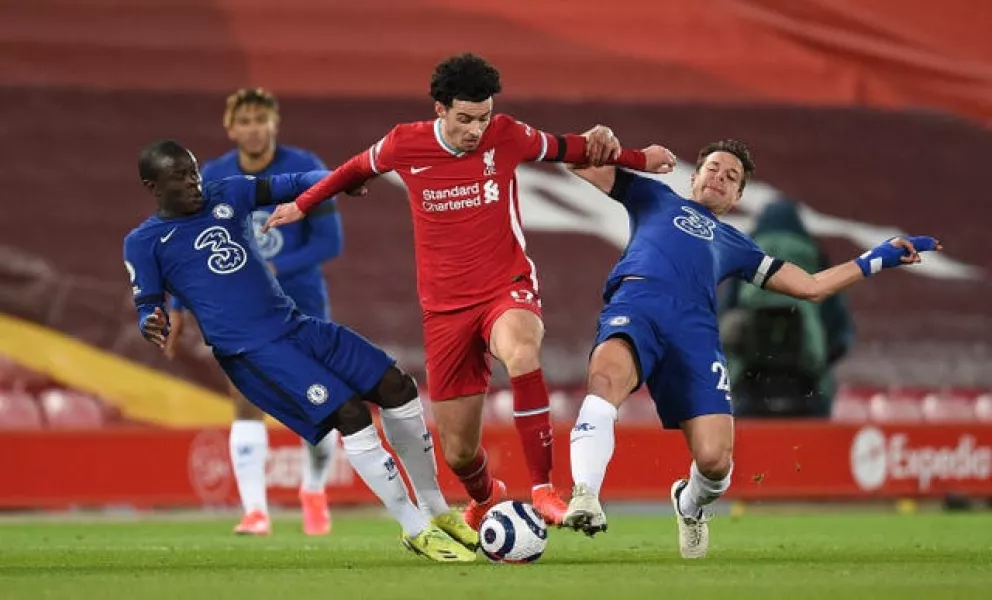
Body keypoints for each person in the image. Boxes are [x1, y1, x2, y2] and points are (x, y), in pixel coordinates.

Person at [261, 53, 670, 528]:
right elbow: (354, 168)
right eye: (465, 119)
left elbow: (571, 147)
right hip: (444, 309)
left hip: (505, 287)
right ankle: (486, 494)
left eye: (483, 117)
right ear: (439, 110)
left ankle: (543, 490)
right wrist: (303, 204)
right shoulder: (404, 144)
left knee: (520, 350)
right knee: (457, 453)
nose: (476, 129)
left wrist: (639, 158)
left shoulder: (508, 135)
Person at [560, 139, 941, 558]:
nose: (720, 178)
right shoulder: (654, 195)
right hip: (637, 304)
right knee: (604, 380)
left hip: (695, 333)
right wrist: (627, 156)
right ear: (694, 175)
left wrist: (877, 259)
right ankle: (586, 495)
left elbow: (811, 287)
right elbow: (576, 161)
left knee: (715, 462)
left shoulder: (736, 244)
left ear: (738, 197)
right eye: (714, 169)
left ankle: (689, 504)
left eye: (731, 177)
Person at [125, 140, 477, 563]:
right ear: (153, 185)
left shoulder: (227, 193)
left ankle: (436, 511)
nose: (193, 181)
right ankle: (414, 528)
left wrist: (340, 182)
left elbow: (292, 183)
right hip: (250, 352)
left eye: (193, 170)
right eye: (179, 176)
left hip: (295, 325)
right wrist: (152, 321)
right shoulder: (144, 242)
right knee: (351, 414)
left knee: (396, 386)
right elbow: (148, 305)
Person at [164, 88, 344, 536]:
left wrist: (274, 266)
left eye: (260, 120)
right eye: (243, 121)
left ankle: (314, 489)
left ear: (274, 123)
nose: (252, 128)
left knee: (318, 400)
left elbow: (329, 242)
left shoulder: (305, 168)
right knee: (245, 397)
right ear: (231, 128)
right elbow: (191, 248)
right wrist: (177, 306)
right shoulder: (213, 176)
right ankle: (255, 509)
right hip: (242, 307)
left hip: (301, 304)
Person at [718, 199, 855, 418]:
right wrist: (822, 359)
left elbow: (721, 322)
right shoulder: (816, 258)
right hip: (808, 384)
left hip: (750, 384)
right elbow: (840, 332)